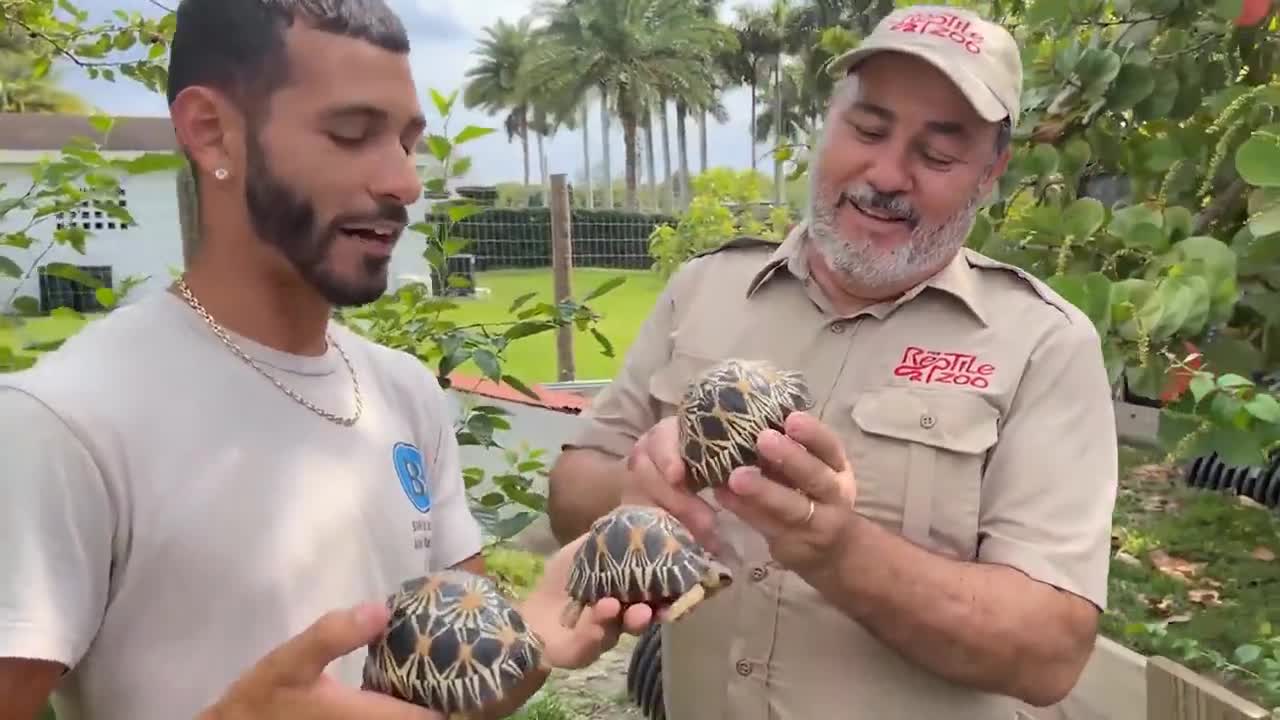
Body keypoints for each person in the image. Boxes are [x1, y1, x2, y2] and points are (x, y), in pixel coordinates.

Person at [0, 1, 643, 719]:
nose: (404, 182)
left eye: (406, 142)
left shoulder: (404, 394)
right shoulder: (64, 421)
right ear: (212, 132)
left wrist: (531, 639)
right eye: (351, 134)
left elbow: (458, 696)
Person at [547, 6, 1119, 720]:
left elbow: (1048, 652)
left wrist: (837, 550)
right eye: (868, 129)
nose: (885, 174)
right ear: (827, 121)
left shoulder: (1043, 344)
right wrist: (634, 490)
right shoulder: (704, 290)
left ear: (991, 172)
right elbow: (571, 494)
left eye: (937, 155)